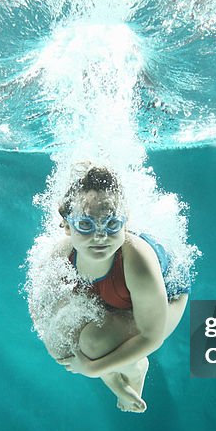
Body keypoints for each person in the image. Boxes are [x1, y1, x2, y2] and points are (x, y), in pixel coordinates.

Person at [53, 165, 189, 413]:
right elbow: (43, 314)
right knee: (63, 337)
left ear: (125, 222)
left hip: (166, 299)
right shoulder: (60, 255)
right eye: (86, 224)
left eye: (112, 224)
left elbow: (151, 337)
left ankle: (135, 371)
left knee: (94, 344)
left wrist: (93, 369)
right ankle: (114, 376)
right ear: (67, 226)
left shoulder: (138, 262)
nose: (100, 236)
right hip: (113, 294)